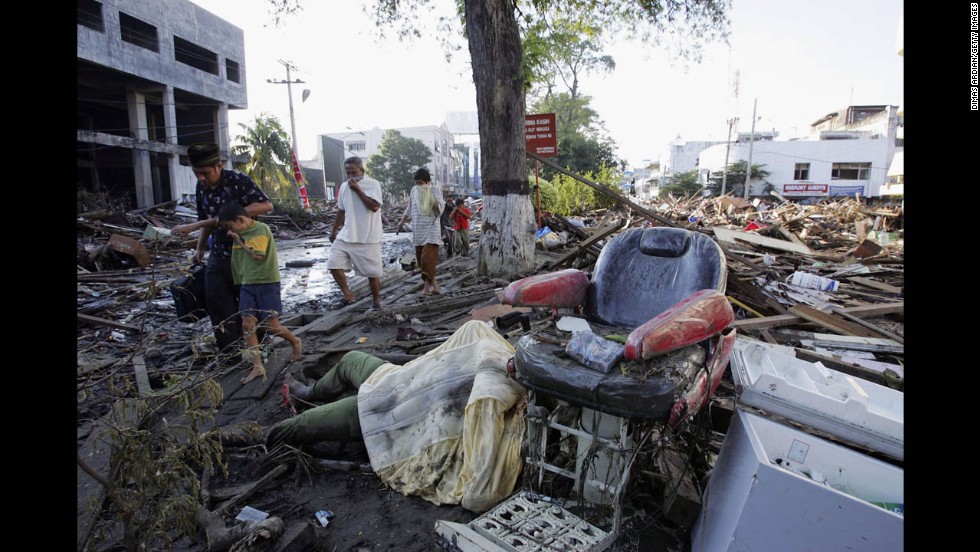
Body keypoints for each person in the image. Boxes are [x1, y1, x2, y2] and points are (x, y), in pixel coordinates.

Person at [172, 142, 273, 362]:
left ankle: (261, 349)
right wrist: (199, 248)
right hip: (218, 254)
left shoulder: (238, 181)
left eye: (205, 173)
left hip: (245, 253)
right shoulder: (202, 188)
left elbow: (266, 205)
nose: (201, 178)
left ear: (218, 166)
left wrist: (233, 215)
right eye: (197, 173)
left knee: (250, 306)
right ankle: (232, 355)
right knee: (217, 302)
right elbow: (206, 220)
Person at [218, 201, 303, 385]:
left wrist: (238, 240)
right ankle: (257, 365)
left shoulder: (260, 229)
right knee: (247, 325)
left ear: (240, 219)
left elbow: (257, 255)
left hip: (266, 282)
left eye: (230, 226)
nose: (229, 231)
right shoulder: (239, 232)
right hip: (247, 283)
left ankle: (295, 341)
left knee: (271, 327)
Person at [267, 351, 388, 448]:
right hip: (400, 378)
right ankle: (306, 394)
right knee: (351, 359)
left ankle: (264, 436)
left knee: (305, 422)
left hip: (397, 407)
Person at [326, 157, 384, 310]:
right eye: (348, 173)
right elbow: (341, 210)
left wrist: (358, 189)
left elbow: (374, 207)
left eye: (354, 172)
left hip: (368, 236)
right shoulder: (345, 186)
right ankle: (348, 294)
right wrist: (334, 231)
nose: (351, 176)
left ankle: (376, 302)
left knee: (372, 273)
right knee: (333, 263)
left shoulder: (372, 184)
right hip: (347, 234)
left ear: (362, 171)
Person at [397, 168, 445, 296]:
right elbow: (410, 207)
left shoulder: (434, 190)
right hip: (418, 228)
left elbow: (440, 207)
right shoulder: (414, 191)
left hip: (431, 228)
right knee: (420, 259)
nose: (418, 185)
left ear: (427, 182)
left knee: (427, 258)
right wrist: (402, 222)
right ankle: (433, 284)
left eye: (421, 183)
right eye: (416, 183)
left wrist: (431, 199)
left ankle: (428, 286)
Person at [440, 193, 456, 259]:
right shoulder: (442, 206)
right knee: (446, 239)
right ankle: (448, 254)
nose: (449, 199)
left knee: (452, 240)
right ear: (446, 199)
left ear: (452, 199)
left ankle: (451, 254)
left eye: (450, 198)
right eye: (448, 198)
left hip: (452, 226)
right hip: (444, 225)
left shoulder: (455, 207)